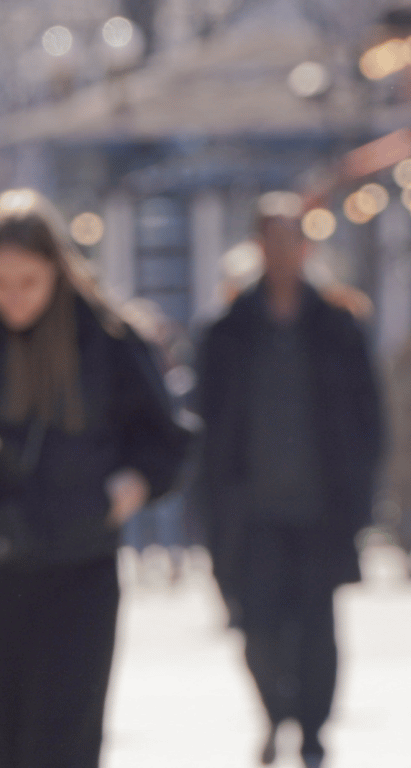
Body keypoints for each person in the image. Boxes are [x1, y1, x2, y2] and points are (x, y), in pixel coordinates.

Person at [0, 189, 189, 768]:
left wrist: (135, 484)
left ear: (58, 271)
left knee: (68, 738)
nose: (13, 298)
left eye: (28, 281)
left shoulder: (107, 338)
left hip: (79, 564)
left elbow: (164, 435)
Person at [195, 192, 383, 768]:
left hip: (321, 506)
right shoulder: (227, 331)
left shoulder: (337, 325)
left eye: (292, 238)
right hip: (249, 508)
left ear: (307, 245)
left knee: (317, 625)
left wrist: (363, 495)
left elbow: (368, 417)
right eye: (271, 238)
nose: (282, 250)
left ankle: (312, 729)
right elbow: (205, 426)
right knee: (258, 624)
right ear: (256, 246)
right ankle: (275, 712)